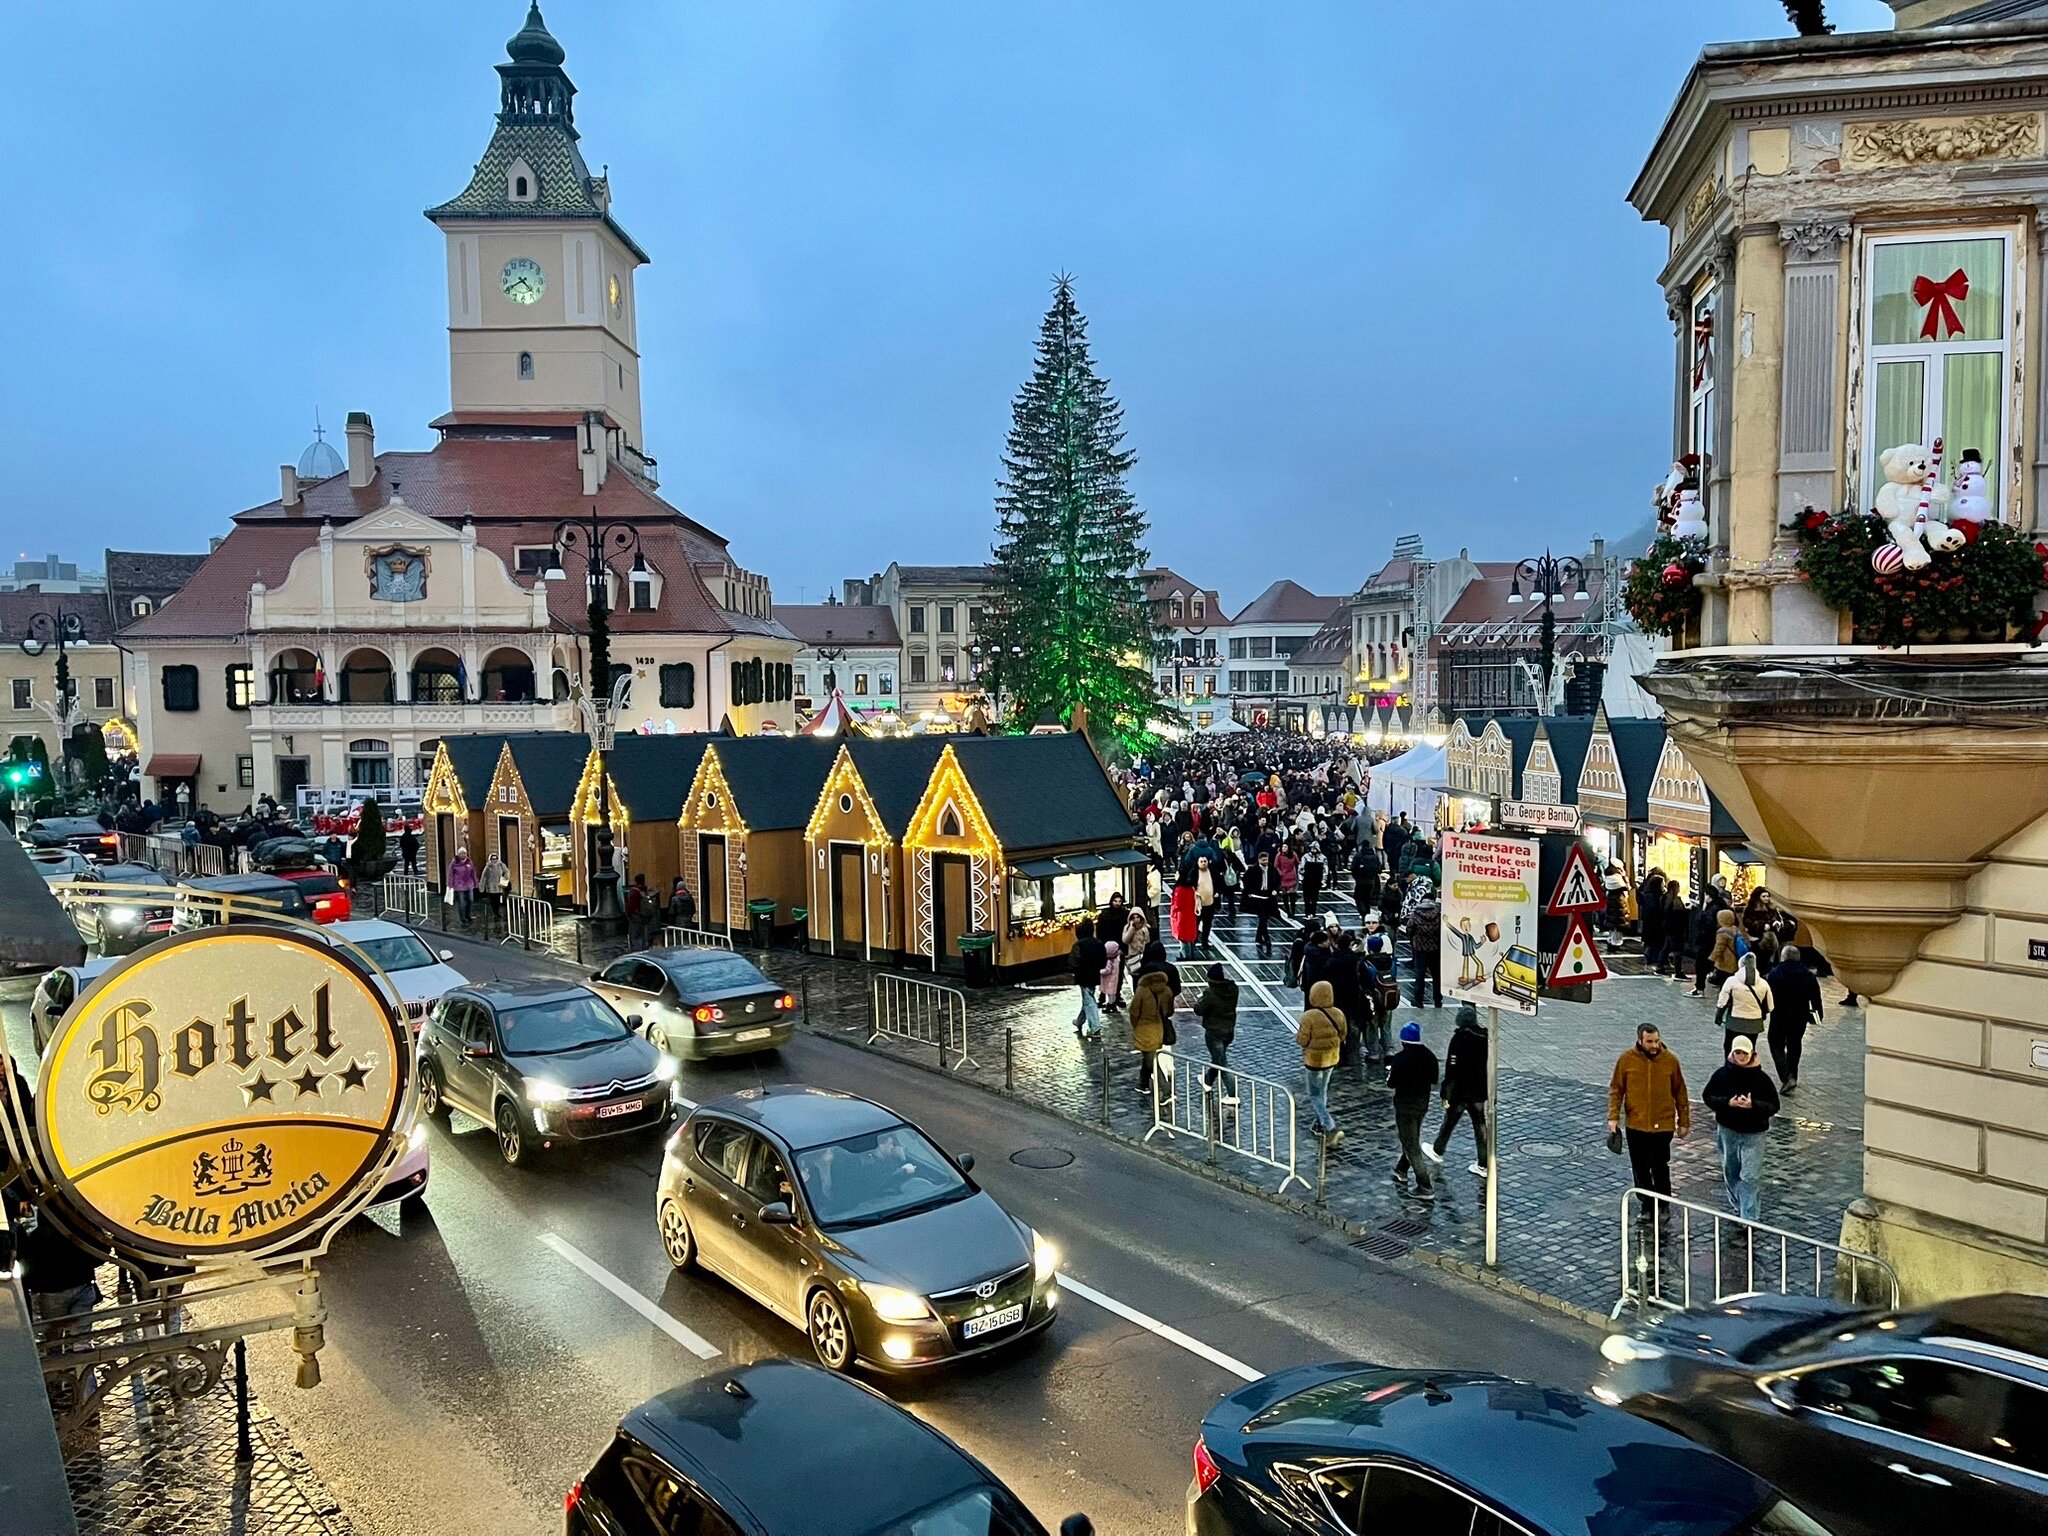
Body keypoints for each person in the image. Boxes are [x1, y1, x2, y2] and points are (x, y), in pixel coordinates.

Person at [1701, 1035, 1780, 1221]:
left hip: (1754, 1133)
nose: (1741, 1056)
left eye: (1744, 1053)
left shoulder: (1762, 1079)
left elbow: (1773, 1106)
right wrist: (1728, 1102)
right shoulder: (1721, 1075)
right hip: (1728, 1130)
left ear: (1751, 1053)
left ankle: (1749, 1217)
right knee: (1731, 1171)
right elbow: (1708, 1096)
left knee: (1750, 1175)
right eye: (1738, 1052)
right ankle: (1739, 1206)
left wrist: (1753, 1105)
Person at [1607, 1023, 1690, 1199]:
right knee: (1640, 1167)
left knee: (1660, 1166)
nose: (1654, 1045)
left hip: (1663, 1125)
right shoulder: (1626, 1060)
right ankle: (1646, 1203)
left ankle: (1662, 1203)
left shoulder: (1670, 1060)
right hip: (1636, 1124)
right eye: (1650, 1041)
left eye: (1657, 1041)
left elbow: (1680, 1092)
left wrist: (1684, 1122)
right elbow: (1616, 1089)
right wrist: (1613, 1117)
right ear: (1640, 1040)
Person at [1428, 1003, 1490, 1175]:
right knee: (1480, 1126)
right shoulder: (1484, 1038)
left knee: (1449, 1121)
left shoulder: (1460, 1038)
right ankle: (1483, 1163)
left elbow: (1452, 1068)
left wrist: (1446, 1090)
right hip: (1478, 1090)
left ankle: (1438, 1150)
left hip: (1461, 1091)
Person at [1387, 1022, 1440, 1200]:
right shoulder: (1430, 1056)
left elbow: (1391, 1083)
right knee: (1411, 1138)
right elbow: (1434, 1079)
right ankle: (1401, 1169)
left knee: (1412, 1145)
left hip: (1404, 1107)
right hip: (1422, 1105)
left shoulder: (1400, 1059)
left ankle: (1425, 1185)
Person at [1763, 944, 1823, 1093]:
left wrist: (1764, 1011)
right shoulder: (1808, 975)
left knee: (1775, 1043)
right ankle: (1793, 1075)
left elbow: (1768, 995)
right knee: (1795, 1045)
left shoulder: (1775, 973)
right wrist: (1818, 1013)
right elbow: (1816, 997)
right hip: (1799, 1016)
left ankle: (1786, 1076)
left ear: (1783, 957)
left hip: (1779, 1015)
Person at [1295, 979, 1346, 1144]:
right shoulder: (1338, 1013)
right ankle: (1318, 1124)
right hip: (1331, 1058)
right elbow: (1343, 1035)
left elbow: (1302, 1040)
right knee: (1322, 1091)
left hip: (1314, 1061)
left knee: (1314, 1094)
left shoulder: (1308, 1016)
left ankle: (1329, 1126)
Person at [1129, 945, 1179, 1100]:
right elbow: (1170, 1009)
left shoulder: (1142, 989)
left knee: (1150, 1057)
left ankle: (1165, 1089)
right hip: (1161, 1024)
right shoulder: (1167, 989)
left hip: (1145, 1027)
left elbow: (1134, 1011)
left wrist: (1135, 1024)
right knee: (1149, 1055)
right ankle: (1143, 1083)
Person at [1192, 963, 1239, 1104]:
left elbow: (1199, 1010)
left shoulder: (1210, 993)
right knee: (1218, 1058)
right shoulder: (1233, 989)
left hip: (1214, 1032)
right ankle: (1207, 1081)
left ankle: (1232, 1094)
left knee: (1222, 1063)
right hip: (1229, 1031)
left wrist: (1200, 999)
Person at [1715, 950, 1773, 1060]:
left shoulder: (1731, 981)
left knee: (1730, 1047)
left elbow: (1722, 1003)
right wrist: (1761, 1015)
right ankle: (1748, 1069)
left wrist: (1718, 1017)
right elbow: (1770, 1006)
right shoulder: (1764, 984)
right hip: (1755, 1023)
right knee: (1749, 1049)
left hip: (1734, 1022)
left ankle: (1730, 1069)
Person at [1404, 881, 1441, 1008]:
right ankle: (1437, 1000)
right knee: (1437, 977)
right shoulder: (1439, 914)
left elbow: (1409, 930)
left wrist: (1414, 940)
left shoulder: (1416, 914)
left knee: (1419, 976)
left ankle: (1418, 1000)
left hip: (1420, 950)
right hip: (1436, 950)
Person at [1071, 924, 1108, 1040]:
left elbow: (1074, 961)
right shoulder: (1098, 943)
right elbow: (1103, 961)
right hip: (1094, 974)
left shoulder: (1079, 945)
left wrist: (1074, 971)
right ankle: (1079, 1021)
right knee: (1088, 998)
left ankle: (1095, 1028)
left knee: (1088, 1000)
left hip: (1083, 975)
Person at [1242, 850, 1278, 957]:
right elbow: (1246, 880)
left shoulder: (1272, 869)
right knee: (1262, 917)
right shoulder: (1253, 870)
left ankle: (1258, 937)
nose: (1265, 862)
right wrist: (1248, 892)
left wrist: (1275, 889)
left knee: (1265, 918)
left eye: (1266, 859)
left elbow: (1277, 880)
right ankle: (1267, 939)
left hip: (1268, 897)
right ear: (1259, 860)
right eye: (1263, 860)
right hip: (1257, 897)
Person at [1169, 873, 1200, 961]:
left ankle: (1185, 955)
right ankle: (1191, 954)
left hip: (1181, 917)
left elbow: (1177, 905)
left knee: (1183, 937)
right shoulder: (1191, 888)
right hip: (1190, 915)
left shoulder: (1179, 889)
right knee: (1189, 937)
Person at [447, 847, 478, 925]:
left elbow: (473, 872)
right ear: (458, 854)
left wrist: (476, 882)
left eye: (464, 853)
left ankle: (468, 915)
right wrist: (450, 884)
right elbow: (450, 874)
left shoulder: (469, 862)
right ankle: (463, 918)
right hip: (459, 885)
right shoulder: (454, 862)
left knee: (470, 900)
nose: (463, 855)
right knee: (461, 902)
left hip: (469, 884)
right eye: (461, 853)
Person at [625, 872, 656, 949]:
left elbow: (630, 906)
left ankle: (637, 951)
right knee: (644, 935)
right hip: (644, 916)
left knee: (635, 936)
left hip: (635, 917)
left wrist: (629, 915)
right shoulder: (644, 891)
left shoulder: (634, 892)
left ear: (635, 881)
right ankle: (645, 949)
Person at [479, 851, 509, 928]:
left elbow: (507, 871)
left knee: (498, 900)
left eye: (496, 859)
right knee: (492, 900)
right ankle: (495, 912)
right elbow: (484, 877)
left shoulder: (501, 865)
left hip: (499, 886)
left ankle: (497, 912)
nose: (494, 860)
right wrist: (481, 887)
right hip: (490, 886)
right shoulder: (488, 867)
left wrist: (505, 878)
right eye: (493, 859)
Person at [1099, 938, 1124, 1013]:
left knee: (1110, 994)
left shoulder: (1109, 961)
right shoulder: (1116, 960)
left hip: (1109, 980)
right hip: (1114, 980)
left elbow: (1107, 971)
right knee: (1113, 994)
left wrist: (1100, 972)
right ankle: (1113, 1005)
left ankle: (1110, 1005)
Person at [1274, 844, 1299, 919]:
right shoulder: (1279, 855)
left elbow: (1297, 862)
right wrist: (1280, 873)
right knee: (1285, 896)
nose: (1283, 848)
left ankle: (1293, 911)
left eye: (1285, 847)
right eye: (1282, 847)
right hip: (1283, 876)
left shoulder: (1293, 854)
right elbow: (1276, 865)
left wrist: (1295, 870)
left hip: (1291, 876)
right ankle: (1288, 912)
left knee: (1292, 895)